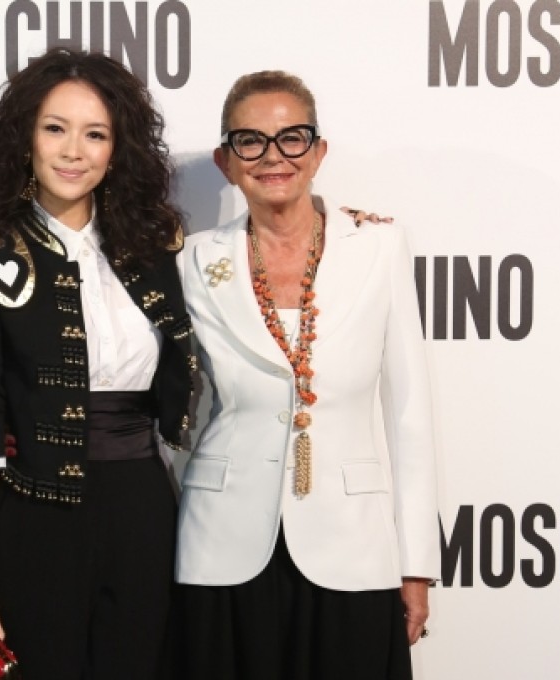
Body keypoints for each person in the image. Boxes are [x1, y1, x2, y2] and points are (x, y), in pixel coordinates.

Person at [173, 70, 440, 679]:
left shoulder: (380, 246)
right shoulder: (192, 259)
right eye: (251, 141)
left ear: (319, 151)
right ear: (225, 160)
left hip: (353, 544)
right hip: (223, 543)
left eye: (292, 138)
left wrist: (416, 564)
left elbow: (411, 416)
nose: (273, 157)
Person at [0, 48, 196, 680]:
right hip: (34, 519)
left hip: (144, 511)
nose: (72, 150)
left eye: (95, 133)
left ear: (118, 149)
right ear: (24, 137)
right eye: (55, 128)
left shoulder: (158, 249)